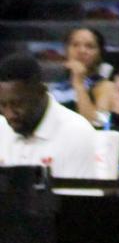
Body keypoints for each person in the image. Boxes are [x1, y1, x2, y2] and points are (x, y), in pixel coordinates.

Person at [0, 50, 100, 178]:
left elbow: (81, 198)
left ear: (41, 92)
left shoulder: (77, 133)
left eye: (17, 104)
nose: (9, 114)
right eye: (2, 105)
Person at [48, 24, 112, 124]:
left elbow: (97, 124)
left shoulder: (105, 86)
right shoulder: (56, 87)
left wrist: (79, 83)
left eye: (89, 46)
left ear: (100, 54)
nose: (82, 51)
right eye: (75, 45)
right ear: (66, 51)